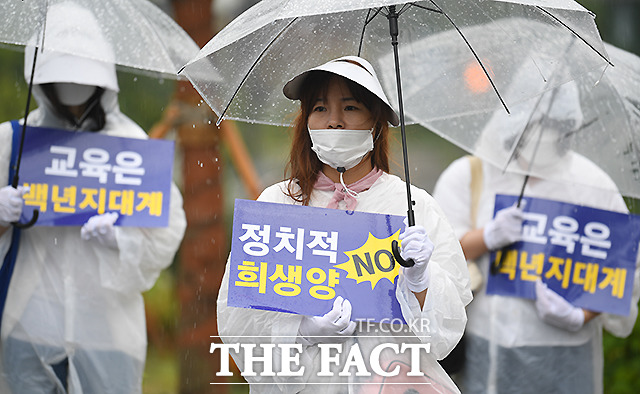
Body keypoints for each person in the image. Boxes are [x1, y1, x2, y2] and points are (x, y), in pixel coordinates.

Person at [217, 55, 472, 393]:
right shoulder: (277, 204)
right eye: (320, 108)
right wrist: (302, 333)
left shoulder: (413, 205)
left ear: (376, 121)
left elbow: (444, 336)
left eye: (350, 108)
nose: (334, 121)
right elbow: (239, 321)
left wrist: (422, 281)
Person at [0, 4, 187, 392]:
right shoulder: (12, 143)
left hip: (108, 331)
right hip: (27, 325)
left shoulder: (131, 146)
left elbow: (167, 229)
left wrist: (121, 239)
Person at [432, 82, 640, 393]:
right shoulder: (469, 175)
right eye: (531, 126)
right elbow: (434, 258)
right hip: (485, 347)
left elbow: (625, 270)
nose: (542, 136)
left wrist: (579, 315)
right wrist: (486, 237)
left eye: (554, 126)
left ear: (569, 129)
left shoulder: (593, 185)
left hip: (567, 356)